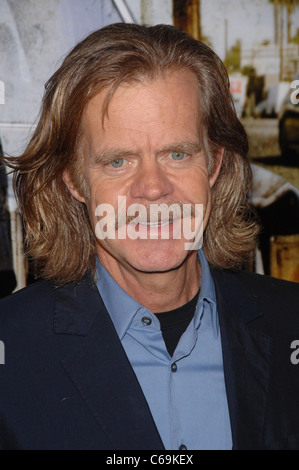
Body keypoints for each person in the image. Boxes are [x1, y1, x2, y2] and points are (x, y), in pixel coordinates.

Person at [0, 23, 298, 451]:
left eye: (177, 154)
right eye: (118, 161)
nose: (153, 188)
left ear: (214, 165)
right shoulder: (12, 355)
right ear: (74, 181)